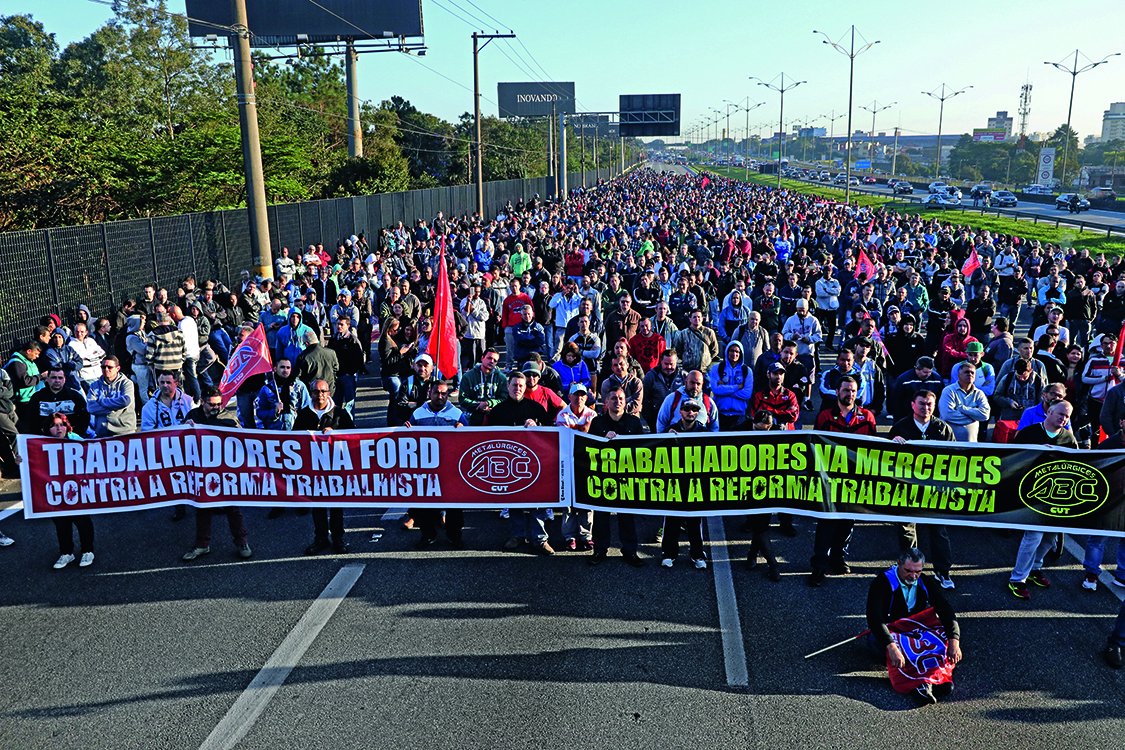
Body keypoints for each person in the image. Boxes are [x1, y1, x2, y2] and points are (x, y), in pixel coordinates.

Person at [865, 548, 962, 704]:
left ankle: (934, 678)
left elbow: (945, 608)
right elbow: (874, 618)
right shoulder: (882, 582)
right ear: (898, 564)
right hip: (892, 632)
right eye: (908, 571)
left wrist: (954, 641)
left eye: (918, 571)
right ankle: (922, 683)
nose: (913, 576)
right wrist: (891, 647)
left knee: (944, 637)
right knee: (883, 646)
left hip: (915, 630)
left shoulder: (924, 581)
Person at [809, 376, 877, 587]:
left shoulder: (867, 417)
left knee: (848, 521)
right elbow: (815, 447)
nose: (850, 394)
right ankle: (819, 564)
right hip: (830, 479)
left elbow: (875, 449)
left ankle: (838, 557)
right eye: (846, 390)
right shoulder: (824, 416)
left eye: (853, 390)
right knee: (827, 521)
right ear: (837, 392)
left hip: (855, 480)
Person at [1007, 401, 1077, 600]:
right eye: (1061, 414)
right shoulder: (1029, 433)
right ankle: (1017, 578)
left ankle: (1035, 567)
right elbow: (1011, 459)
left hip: (1056, 496)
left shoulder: (1069, 438)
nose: (1064, 419)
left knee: (1050, 537)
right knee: (1033, 537)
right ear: (1049, 412)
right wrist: (1035, 452)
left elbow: (1077, 465)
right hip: (1032, 495)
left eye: (1067, 416)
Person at [888, 390, 957, 588]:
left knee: (939, 531)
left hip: (935, 491)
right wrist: (892, 444)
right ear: (912, 405)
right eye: (921, 403)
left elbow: (955, 457)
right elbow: (886, 458)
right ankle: (910, 571)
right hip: (907, 490)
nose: (925, 408)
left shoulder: (943, 429)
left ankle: (943, 571)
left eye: (929, 404)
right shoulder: (900, 427)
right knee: (907, 531)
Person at [181, 386, 252, 562]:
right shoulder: (192, 416)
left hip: (224, 470)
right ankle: (201, 545)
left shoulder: (228, 418)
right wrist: (185, 428)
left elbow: (242, 441)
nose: (217, 408)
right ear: (202, 402)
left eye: (219, 404)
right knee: (202, 507)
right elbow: (180, 439)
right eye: (212, 405)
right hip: (202, 470)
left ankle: (242, 542)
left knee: (232, 508)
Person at [489, 373, 553, 554]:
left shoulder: (536, 408)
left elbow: (551, 433)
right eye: (514, 385)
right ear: (507, 386)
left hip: (534, 463)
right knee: (514, 499)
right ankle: (517, 535)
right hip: (508, 465)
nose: (517, 388)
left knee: (537, 500)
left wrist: (538, 426)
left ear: (525, 388)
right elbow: (488, 437)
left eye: (520, 385)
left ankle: (540, 539)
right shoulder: (498, 411)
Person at [294, 379, 356, 555]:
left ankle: (338, 538)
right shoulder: (304, 414)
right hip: (314, 469)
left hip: (336, 468)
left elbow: (354, 436)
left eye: (323, 391)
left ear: (329, 393)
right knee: (318, 505)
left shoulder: (340, 414)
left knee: (336, 505)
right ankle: (320, 538)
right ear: (311, 394)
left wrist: (336, 434)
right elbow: (293, 440)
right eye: (316, 391)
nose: (319, 395)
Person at [405, 380, 469, 549]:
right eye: (436, 393)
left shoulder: (456, 413)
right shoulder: (418, 413)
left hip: (451, 468)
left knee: (454, 505)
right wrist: (405, 429)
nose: (440, 396)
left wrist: (463, 428)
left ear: (448, 395)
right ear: (430, 393)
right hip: (426, 468)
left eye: (443, 393)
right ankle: (428, 535)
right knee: (426, 505)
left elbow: (470, 436)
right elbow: (407, 438)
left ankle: (454, 536)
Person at [588, 387, 647, 568]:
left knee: (626, 516)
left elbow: (643, 448)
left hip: (625, 477)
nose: (618, 401)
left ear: (625, 401)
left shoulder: (634, 423)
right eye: (613, 398)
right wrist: (602, 439)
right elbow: (588, 448)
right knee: (601, 516)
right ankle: (599, 549)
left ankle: (630, 550)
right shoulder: (597, 423)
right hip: (603, 477)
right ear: (606, 402)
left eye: (621, 398)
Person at [659, 399, 708, 569]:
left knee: (694, 522)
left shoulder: (705, 432)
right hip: (674, 483)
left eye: (694, 409)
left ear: (698, 412)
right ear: (680, 412)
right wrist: (666, 438)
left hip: (695, 484)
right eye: (687, 409)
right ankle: (668, 554)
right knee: (672, 520)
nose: (690, 412)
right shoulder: (670, 430)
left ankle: (697, 554)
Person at [43, 413, 96, 569]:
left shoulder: (77, 440)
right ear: (47, 429)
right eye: (54, 426)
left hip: (77, 489)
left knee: (82, 521)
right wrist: (20, 460)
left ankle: (87, 551)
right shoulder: (39, 444)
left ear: (67, 427)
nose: (59, 429)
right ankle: (66, 553)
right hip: (56, 491)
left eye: (62, 425)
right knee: (61, 523)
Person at [743, 410, 782, 581]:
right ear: (752, 423)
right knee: (759, 525)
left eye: (766, 429)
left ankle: (752, 554)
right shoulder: (741, 429)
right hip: (747, 486)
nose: (762, 433)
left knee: (761, 524)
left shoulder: (778, 433)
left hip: (768, 486)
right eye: (758, 429)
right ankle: (773, 564)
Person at [28, 366, 90, 437]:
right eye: (53, 377)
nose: (57, 380)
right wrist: (39, 435)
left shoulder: (75, 396)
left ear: (64, 379)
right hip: (44, 438)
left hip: (71, 437)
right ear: (47, 379)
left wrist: (75, 433)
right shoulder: (37, 397)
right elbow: (31, 418)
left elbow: (84, 417)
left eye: (60, 378)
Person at [938, 362, 991, 442]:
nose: (970, 374)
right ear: (959, 375)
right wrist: (974, 417)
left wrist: (963, 409)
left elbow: (985, 415)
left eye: (972, 373)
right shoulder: (948, 391)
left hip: (971, 443)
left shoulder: (979, 393)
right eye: (966, 372)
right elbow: (947, 415)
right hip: (950, 443)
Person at [655, 370, 719, 433]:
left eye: (698, 384)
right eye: (692, 383)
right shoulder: (672, 398)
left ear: (702, 384)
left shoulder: (708, 402)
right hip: (676, 439)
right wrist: (665, 437)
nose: (695, 387)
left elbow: (715, 428)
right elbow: (661, 423)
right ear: (685, 382)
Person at [86, 356, 136, 437]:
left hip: (125, 432)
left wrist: (102, 401)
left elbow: (125, 401)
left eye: (109, 367)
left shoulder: (127, 383)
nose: (106, 369)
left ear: (117, 368)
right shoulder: (94, 385)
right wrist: (115, 408)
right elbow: (91, 408)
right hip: (102, 433)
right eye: (103, 367)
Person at [709, 341, 754, 431]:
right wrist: (737, 387)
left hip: (739, 416)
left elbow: (747, 394)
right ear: (727, 351)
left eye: (737, 352)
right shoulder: (716, 368)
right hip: (720, 414)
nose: (734, 354)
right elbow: (716, 390)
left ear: (741, 354)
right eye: (732, 351)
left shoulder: (747, 370)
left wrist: (724, 390)